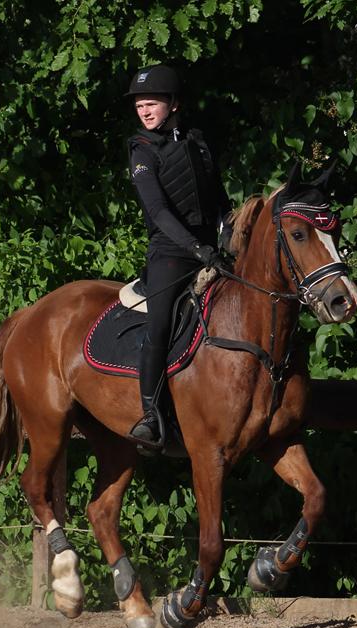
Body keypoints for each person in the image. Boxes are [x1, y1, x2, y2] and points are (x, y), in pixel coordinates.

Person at [124, 64, 233, 450]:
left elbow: (219, 199)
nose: (145, 111)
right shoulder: (142, 151)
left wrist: (230, 233)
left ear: (173, 104)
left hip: (212, 250)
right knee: (160, 326)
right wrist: (195, 248)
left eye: (151, 103)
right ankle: (151, 417)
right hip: (171, 253)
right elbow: (159, 213)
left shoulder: (198, 141)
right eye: (140, 105)